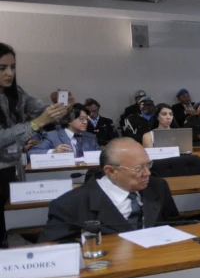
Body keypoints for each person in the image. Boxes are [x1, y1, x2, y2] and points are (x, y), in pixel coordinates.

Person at [40, 138, 180, 242]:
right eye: (138, 169)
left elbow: (175, 225)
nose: (147, 173)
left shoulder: (158, 187)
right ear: (111, 171)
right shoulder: (70, 204)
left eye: (148, 165)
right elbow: (53, 248)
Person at [0, 43, 67, 244]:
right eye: (2, 68)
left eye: (13, 66)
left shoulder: (17, 93)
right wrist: (38, 123)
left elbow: (42, 111)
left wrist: (61, 108)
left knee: (19, 222)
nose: (10, 73)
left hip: (14, 167)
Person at [29, 104, 98, 157]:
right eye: (81, 118)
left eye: (86, 119)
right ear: (69, 120)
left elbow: (101, 156)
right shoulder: (53, 136)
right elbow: (31, 153)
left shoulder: (90, 137)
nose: (85, 122)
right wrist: (53, 152)